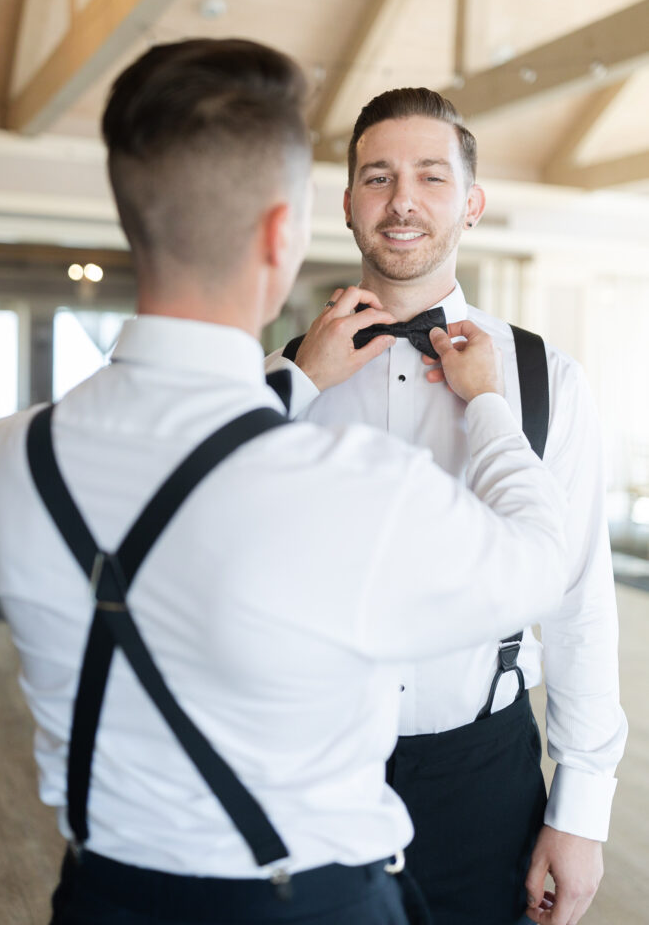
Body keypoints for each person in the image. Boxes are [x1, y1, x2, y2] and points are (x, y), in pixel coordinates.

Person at [0, 42, 568, 925]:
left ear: (134, 216)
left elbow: (192, 472)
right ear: (284, 232)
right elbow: (543, 563)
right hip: (309, 903)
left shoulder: (13, 458)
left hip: (99, 896)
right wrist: (487, 409)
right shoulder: (348, 482)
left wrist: (292, 385)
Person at [266, 87, 628, 925]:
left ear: (470, 203)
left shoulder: (546, 380)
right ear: (348, 203)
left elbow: (578, 609)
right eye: (378, 177)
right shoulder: (278, 379)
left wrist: (579, 814)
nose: (402, 201)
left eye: (430, 176)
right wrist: (292, 387)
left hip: (484, 779)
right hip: (307, 771)